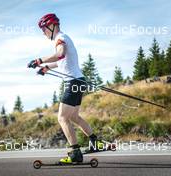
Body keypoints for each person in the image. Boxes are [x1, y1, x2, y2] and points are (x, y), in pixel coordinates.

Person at [28, 13, 101, 163]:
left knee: (62, 118)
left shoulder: (60, 38)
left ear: (51, 25)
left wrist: (39, 60)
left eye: (44, 29)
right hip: (79, 81)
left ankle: (75, 153)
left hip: (72, 83)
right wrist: (46, 67)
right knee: (73, 117)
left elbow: (60, 54)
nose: (43, 33)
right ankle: (95, 142)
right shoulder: (64, 38)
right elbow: (62, 61)